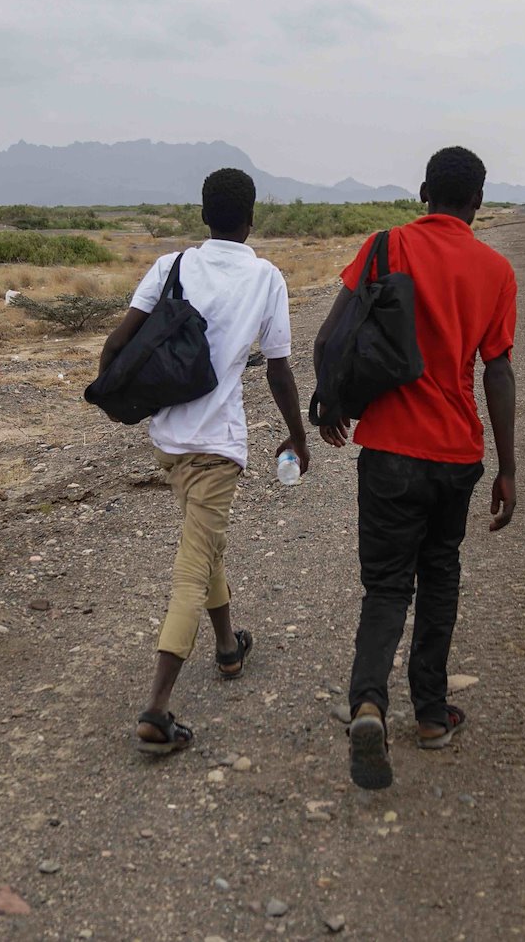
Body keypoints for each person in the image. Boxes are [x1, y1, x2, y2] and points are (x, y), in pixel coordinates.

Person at [317, 146, 518, 790]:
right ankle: (431, 716)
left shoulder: (386, 246)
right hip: (456, 454)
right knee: (439, 577)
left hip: (389, 449)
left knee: (384, 587)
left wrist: (331, 404)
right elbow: (499, 370)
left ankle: (369, 705)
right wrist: (507, 468)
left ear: (423, 190)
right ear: (478, 201)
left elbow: (330, 336)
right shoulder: (495, 269)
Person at [99, 167, 311, 756]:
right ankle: (156, 710)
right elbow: (278, 368)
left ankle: (227, 647)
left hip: (169, 441)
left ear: (202, 216)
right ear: (251, 219)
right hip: (217, 446)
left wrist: (111, 393)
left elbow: (117, 344)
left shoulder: (171, 266)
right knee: (192, 567)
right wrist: (298, 436)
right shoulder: (266, 278)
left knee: (206, 544)